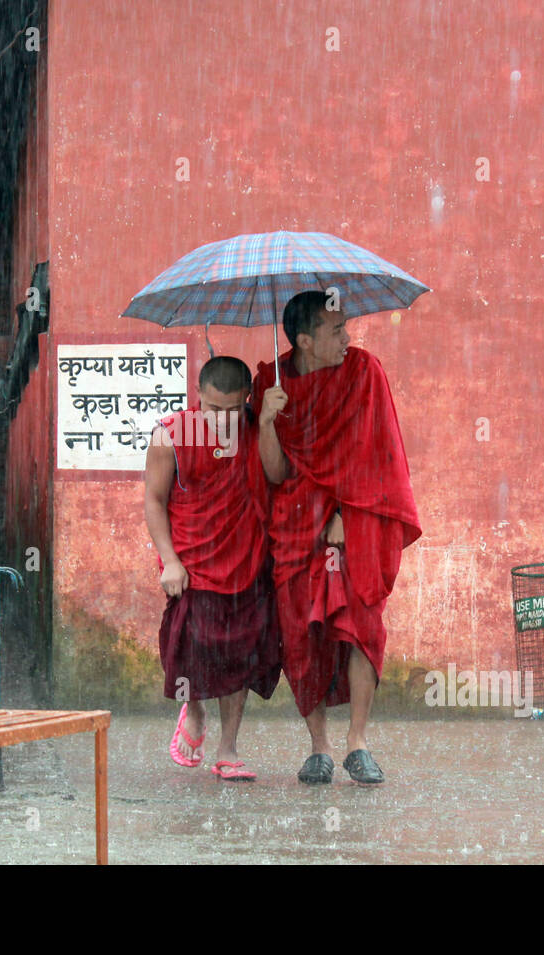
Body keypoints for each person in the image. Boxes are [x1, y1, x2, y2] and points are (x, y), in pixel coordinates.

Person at [252, 291, 421, 785]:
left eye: (346, 327)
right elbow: (277, 471)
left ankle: (358, 743)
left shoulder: (364, 373)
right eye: (336, 330)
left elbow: (379, 453)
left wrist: (348, 512)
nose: (348, 338)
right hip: (296, 524)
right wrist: (266, 419)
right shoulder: (271, 383)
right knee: (301, 635)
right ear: (304, 339)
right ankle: (319, 747)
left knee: (360, 626)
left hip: (355, 520)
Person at [144, 355, 281, 782]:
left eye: (232, 410)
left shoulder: (257, 427)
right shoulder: (170, 435)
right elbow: (153, 500)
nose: (222, 419)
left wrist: (269, 424)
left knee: (239, 654)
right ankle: (196, 711)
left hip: (245, 558)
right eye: (212, 409)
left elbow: (278, 476)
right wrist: (170, 559)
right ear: (197, 396)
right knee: (191, 648)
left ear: (247, 399)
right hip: (192, 560)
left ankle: (228, 748)